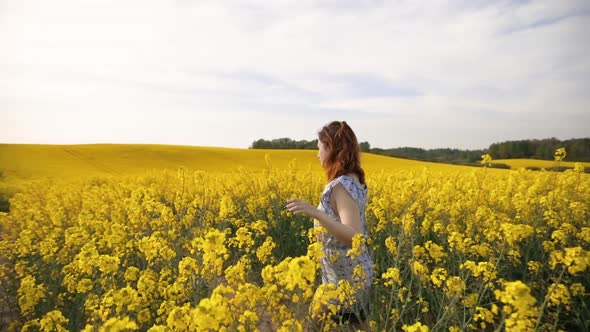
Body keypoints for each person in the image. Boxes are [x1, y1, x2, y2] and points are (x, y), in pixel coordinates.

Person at [286, 121, 373, 330]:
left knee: (314, 326)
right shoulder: (355, 180)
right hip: (345, 271)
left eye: (319, 148)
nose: (317, 155)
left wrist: (315, 212)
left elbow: (354, 236)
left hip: (345, 277)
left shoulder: (341, 186)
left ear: (331, 149)